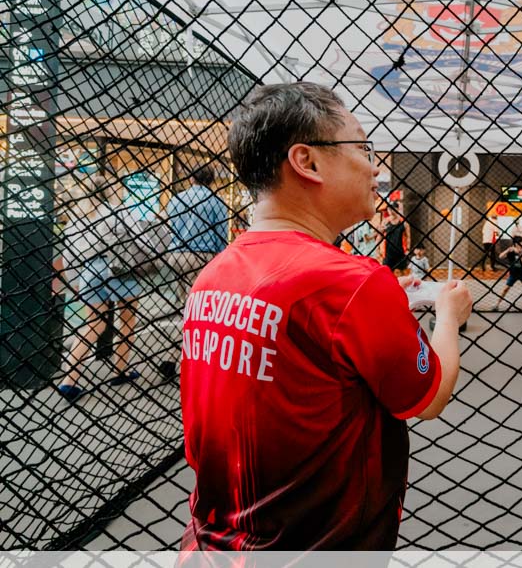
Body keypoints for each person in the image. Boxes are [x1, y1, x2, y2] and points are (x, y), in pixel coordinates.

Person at [180, 82, 472, 551]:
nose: (374, 166)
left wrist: (385, 304)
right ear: (307, 161)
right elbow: (429, 397)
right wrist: (448, 316)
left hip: (211, 548)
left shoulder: (214, 275)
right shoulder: (351, 282)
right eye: (361, 146)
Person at [57, 174, 145, 401]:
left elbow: (69, 255)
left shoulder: (77, 218)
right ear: (109, 191)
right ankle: (120, 371)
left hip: (89, 272)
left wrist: (76, 281)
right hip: (119, 269)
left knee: (94, 324)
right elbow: (142, 239)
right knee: (126, 319)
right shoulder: (119, 210)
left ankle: (69, 380)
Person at [160, 164, 228, 380]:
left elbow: (168, 228)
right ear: (211, 180)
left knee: (185, 307)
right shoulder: (217, 203)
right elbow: (220, 236)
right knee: (198, 311)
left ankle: (173, 357)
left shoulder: (176, 199)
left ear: (191, 179)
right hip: (202, 257)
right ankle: (181, 360)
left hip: (176, 255)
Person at [492, 235, 522, 309]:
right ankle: (497, 304)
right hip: (513, 274)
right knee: (505, 289)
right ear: (516, 244)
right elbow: (500, 256)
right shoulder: (511, 251)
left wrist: (519, 254)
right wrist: (508, 250)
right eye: (520, 244)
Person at [381, 203, 410, 274]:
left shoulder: (403, 222)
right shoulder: (385, 221)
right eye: (388, 209)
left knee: (402, 272)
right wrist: (379, 249)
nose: (390, 211)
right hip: (388, 252)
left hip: (400, 251)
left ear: (397, 209)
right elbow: (380, 236)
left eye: (392, 209)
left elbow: (408, 236)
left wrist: (408, 249)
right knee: (387, 272)